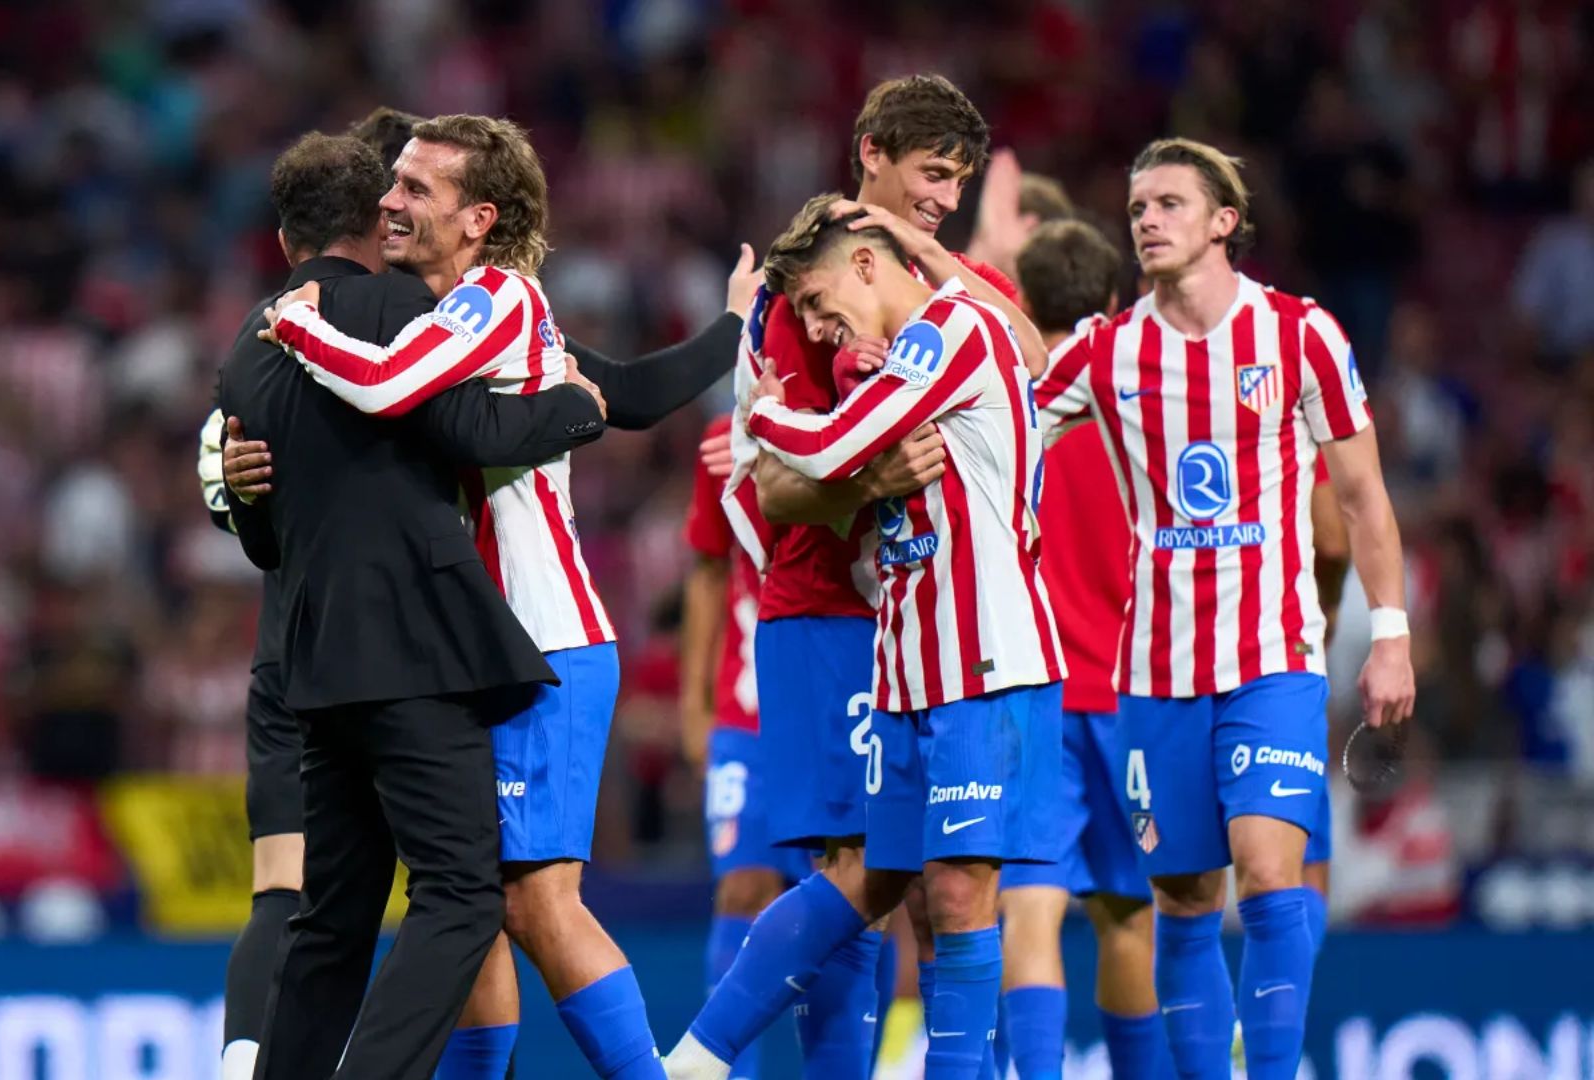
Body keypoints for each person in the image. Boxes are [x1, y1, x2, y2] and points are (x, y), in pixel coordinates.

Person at [213, 110, 754, 1080]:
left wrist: (294, 324)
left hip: (540, 639)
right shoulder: (444, 313)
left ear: (479, 218)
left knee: (536, 904)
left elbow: (393, 395)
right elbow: (605, 398)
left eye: (417, 188)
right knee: (477, 918)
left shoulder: (492, 300)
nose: (391, 200)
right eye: (392, 183)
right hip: (463, 648)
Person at [1034, 138, 1416, 1080]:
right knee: (1184, 899)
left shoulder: (1300, 335)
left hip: (1273, 658)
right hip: (1154, 672)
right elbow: (998, 416)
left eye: (1168, 204)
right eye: (1137, 210)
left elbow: (1363, 497)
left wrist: (1392, 637)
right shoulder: (1105, 351)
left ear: (1223, 222)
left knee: (1272, 874)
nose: (1148, 222)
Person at [688, 76, 1040, 1080]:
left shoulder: (955, 288)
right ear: (872, 150)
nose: (942, 199)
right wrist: (870, 472)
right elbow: (779, 489)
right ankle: (713, 1057)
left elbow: (1031, 367)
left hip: (942, 628)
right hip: (835, 616)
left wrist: (937, 259)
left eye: (956, 187)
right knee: (857, 877)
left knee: (953, 888)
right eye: (930, 175)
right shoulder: (808, 288)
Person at [995, 219, 1167, 1080]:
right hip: (1134, 699)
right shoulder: (1141, 403)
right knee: (1127, 915)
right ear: (1112, 304)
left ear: (1024, 303)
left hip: (1036, 699)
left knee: (1027, 909)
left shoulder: (1011, 405)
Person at [680, 415, 811, 1080]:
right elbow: (707, 568)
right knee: (741, 890)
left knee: (863, 908)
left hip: (840, 707)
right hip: (748, 713)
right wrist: (694, 700)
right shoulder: (722, 442)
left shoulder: (868, 416)